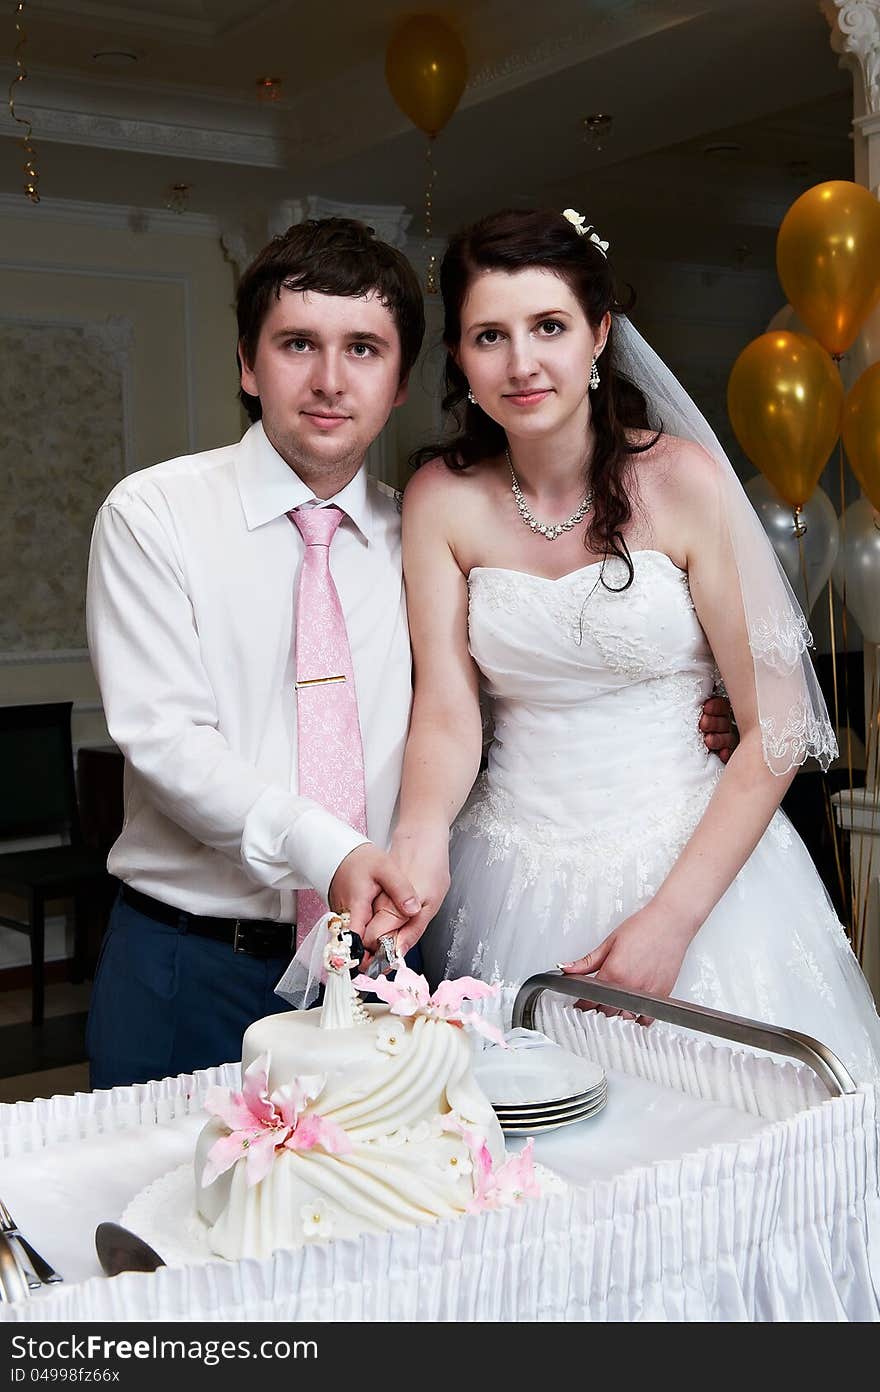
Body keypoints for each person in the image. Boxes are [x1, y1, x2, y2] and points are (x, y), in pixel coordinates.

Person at [85, 215, 733, 1090]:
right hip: (193, 962)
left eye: (363, 349)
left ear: (399, 383)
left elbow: (485, 699)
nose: (328, 380)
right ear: (247, 363)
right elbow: (167, 740)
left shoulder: (425, 527)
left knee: (399, 1220)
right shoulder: (153, 515)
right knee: (159, 1215)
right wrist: (331, 850)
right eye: (296, 345)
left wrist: (698, 710)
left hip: (388, 960)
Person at [366, 207, 880, 1083]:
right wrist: (419, 838)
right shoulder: (438, 498)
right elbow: (449, 714)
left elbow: (779, 725)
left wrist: (671, 921)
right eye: (490, 335)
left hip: (699, 869)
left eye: (550, 327)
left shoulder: (682, 480)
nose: (521, 362)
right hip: (513, 870)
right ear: (458, 358)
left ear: (599, 335)